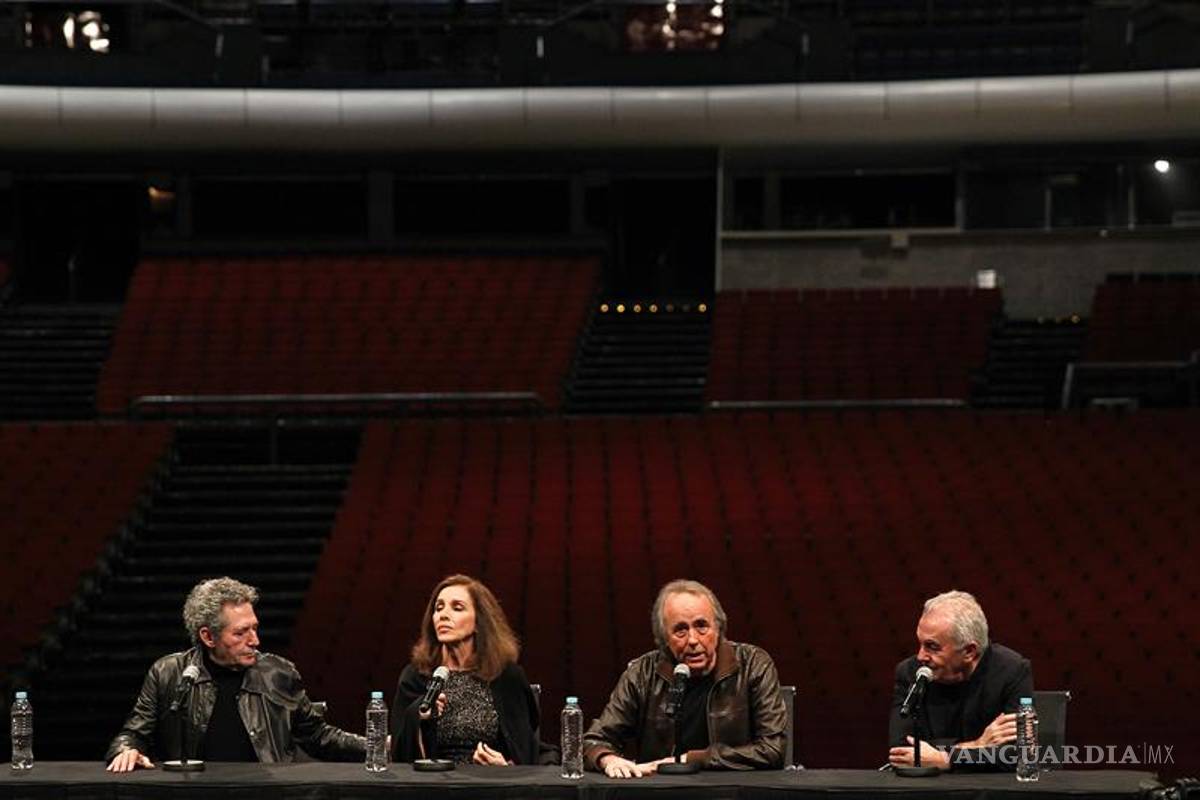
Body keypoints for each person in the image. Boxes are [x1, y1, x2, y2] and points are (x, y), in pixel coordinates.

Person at [106, 577, 365, 771]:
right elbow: (134, 733)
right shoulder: (167, 673)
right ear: (208, 636)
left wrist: (377, 745)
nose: (255, 641)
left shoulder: (279, 672)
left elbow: (319, 736)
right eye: (241, 633)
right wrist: (126, 749)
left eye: (255, 628)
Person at [583, 579, 788, 777]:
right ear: (664, 639)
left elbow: (773, 748)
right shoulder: (642, 673)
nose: (692, 640)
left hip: (732, 790)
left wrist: (691, 759)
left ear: (718, 629)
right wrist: (608, 759)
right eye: (680, 630)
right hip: (663, 790)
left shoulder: (753, 664)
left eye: (701, 626)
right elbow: (593, 741)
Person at [391, 574, 541, 765]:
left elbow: (525, 750)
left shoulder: (506, 676)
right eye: (438, 608)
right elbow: (399, 751)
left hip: (491, 779)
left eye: (457, 608)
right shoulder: (416, 675)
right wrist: (420, 716)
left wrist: (506, 767)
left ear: (479, 622)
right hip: (433, 779)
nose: (443, 615)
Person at [887, 589, 1033, 772]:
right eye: (920, 643)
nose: (921, 656)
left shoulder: (1012, 671)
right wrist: (978, 745)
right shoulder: (910, 672)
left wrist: (945, 759)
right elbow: (901, 752)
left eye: (932, 646)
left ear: (969, 651)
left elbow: (1019, 754)